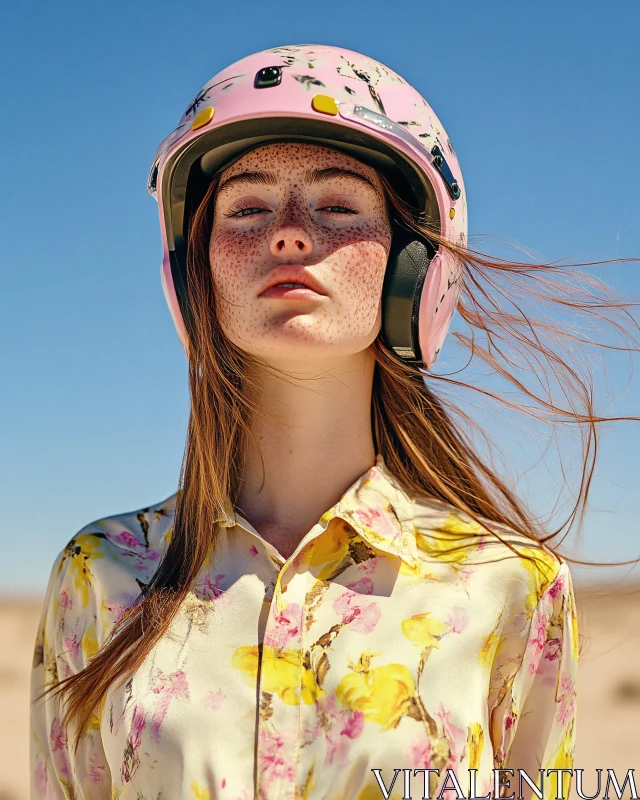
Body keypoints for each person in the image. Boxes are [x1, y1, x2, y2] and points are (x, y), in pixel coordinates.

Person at [29, 44, 638, 800]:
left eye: (339, 205)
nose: (288, 233)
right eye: (247, 208)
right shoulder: (101, 575)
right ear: (195, 274)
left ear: (414, 268)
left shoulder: (511, 586)